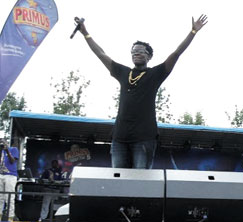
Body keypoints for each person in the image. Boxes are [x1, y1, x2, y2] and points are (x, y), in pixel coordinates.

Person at [76, 15, 208, 169]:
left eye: (140, 51)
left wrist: (193, 31)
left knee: (141, 183)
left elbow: (176, 53)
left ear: (149, 56)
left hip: (144, 138)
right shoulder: (123, 73)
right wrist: (86, 33)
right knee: (118, 180)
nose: (136, 54)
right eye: (133, 52)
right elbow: (100, 53)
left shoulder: (155, 74)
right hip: (120, 137)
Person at [0, 140, 19, 221]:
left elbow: (12, 161)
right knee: (0, 197)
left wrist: (7, 149)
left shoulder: (13, 149)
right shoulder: (1, 151)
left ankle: (10, 218)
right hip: (1, 174)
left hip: (10, 175)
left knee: (9, 197)